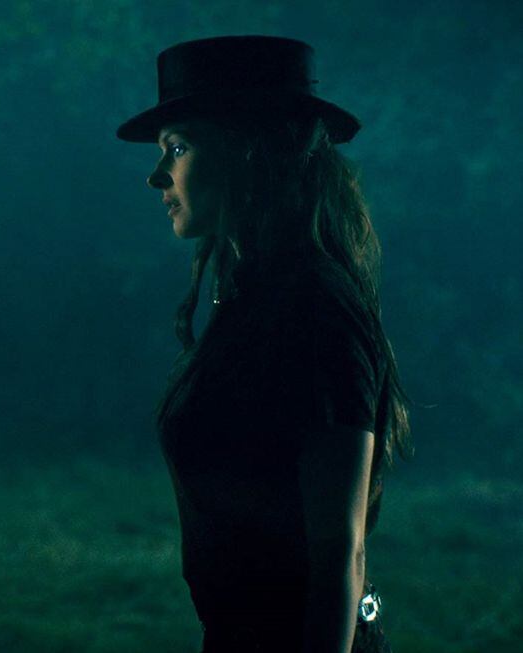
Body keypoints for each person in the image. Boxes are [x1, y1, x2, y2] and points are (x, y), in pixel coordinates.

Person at [117, 37, 411, 653]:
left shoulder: (313, 306)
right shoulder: (255, 295)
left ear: (246, 151)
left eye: (178, 147)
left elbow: (338, 549)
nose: (156, 175)